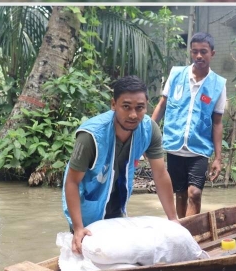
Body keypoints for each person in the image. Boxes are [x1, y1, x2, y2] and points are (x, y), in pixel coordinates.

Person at [62, 76, 178, 255]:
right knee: (86, 257)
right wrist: (78, 228)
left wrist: (173, 219)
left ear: (147, 105)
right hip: (86, 210)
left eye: (140, 108)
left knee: (117, 256)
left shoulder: (149, 129)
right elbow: (71, 182)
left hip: (117, 205)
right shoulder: (90, 136)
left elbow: (160, 174)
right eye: (126, 107)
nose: (133, 115)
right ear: (113, 104)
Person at [150, 32, 227, 218]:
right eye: (195, 52)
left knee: (195, 193)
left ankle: (192, 237)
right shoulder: (176, 74)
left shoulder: (218, 84)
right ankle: (181, 235)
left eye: (203, 51)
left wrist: (218, 157)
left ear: (212, 53)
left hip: (199, 149)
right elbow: (162, 105)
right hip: (174, 146)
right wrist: (148, 132)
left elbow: (217, 123)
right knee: (180, 194)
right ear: (191, 53)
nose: (199, 56)